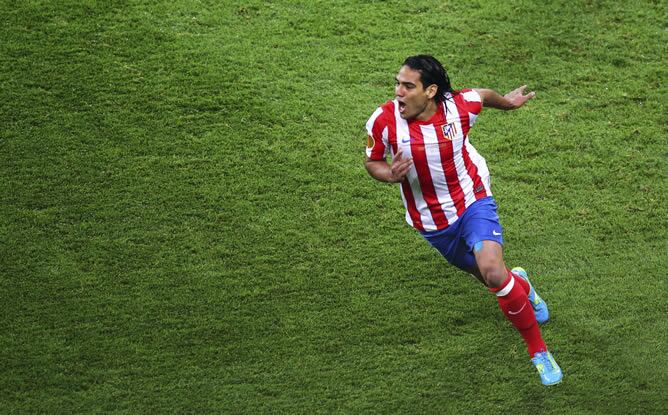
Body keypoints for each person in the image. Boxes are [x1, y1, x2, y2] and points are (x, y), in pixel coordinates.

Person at [364, 54, 562, 385]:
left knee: (494, 272)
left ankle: (539, 352)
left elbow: (482, 95)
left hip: (472, 200)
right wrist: (389, 175)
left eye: (407, 85)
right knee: (492, 280)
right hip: (433, 222)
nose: (398, 91)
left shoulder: (457, 106)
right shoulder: (383, 121)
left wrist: (509, 104)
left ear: (430, 91)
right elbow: (372, 161)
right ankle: (524, 286)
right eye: (397, 83)